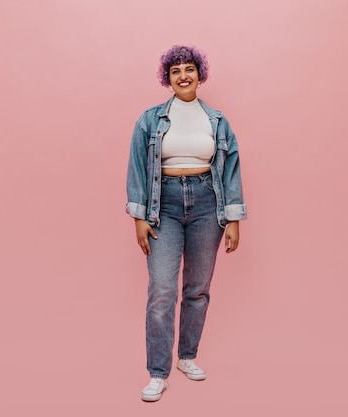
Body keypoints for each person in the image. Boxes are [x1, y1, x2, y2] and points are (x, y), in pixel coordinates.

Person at [125, 45, 247, 402]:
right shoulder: (150, 119)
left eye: (189, 69)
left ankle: (187, 357)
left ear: (199, 73)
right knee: (162, 288)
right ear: (168, 77)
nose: (183, 75)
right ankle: (158, 372)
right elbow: (136, 167)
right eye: (175, 70)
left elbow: (231, 169)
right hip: (164, 206)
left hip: (209, 203)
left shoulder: (218, 121)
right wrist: (138, 216)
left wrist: (234, 218)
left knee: (197, 287)